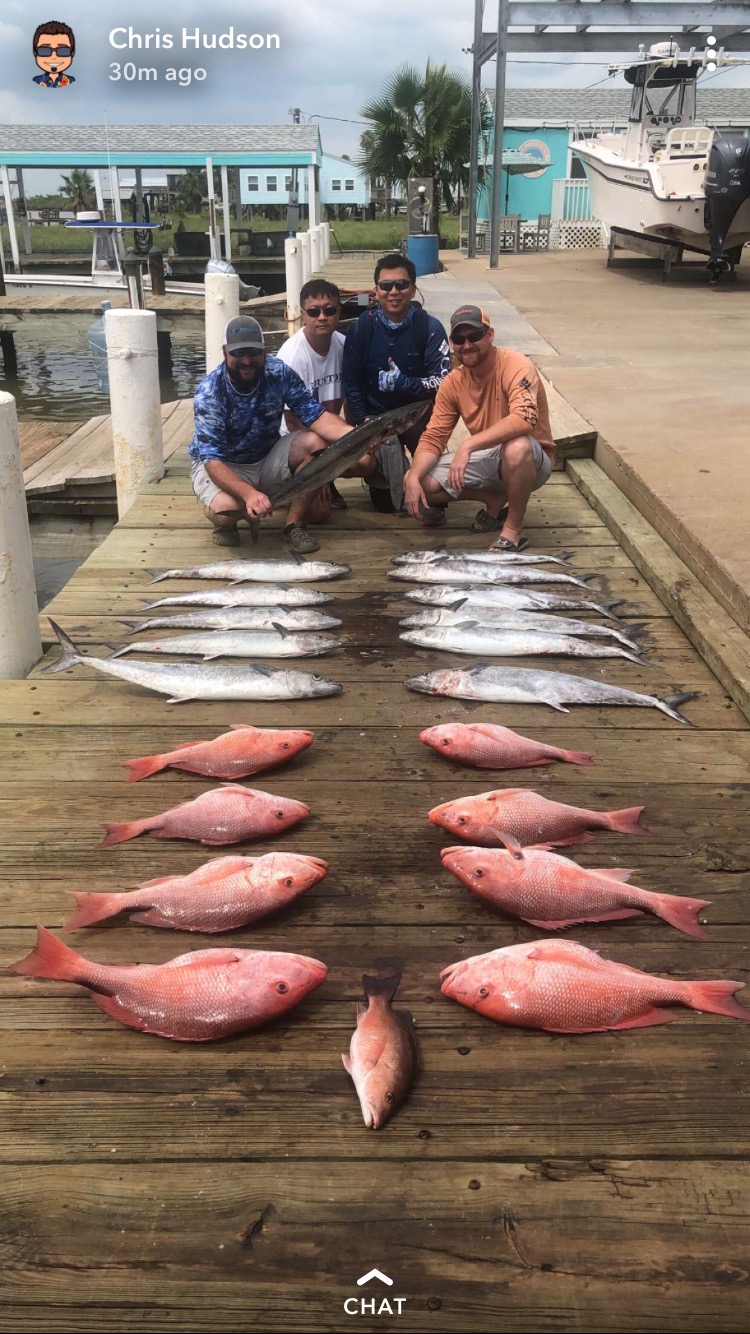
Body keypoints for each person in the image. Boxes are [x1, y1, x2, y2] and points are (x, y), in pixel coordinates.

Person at [189, 315, 354, 553]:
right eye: (238, 353)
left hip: (266, 455)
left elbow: (316, 417)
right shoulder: (210, 392)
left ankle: (293, 525)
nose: (247, 360)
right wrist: (248, 494)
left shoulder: (278, 372)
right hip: (225, 464)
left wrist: (357, 435)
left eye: (254, 352)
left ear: (264, 351)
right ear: (224, 352)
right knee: (225, 511)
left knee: (320, 503)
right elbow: (213, 461)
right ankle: (223, 520)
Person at [402, 304, 555, 551]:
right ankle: (493, 498)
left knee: (516, 447)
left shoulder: (516, 364)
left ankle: (512, 530)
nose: (467, 344)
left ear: (490, 335)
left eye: (474, 336)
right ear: (452, 343)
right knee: (420, 480)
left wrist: (467, 446)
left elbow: (524, 419)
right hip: (489, 457)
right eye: (459, 339)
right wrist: (413, 476)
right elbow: (434, 437)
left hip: (532, 460)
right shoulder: (452, 382)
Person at [342, 253, 450, 512]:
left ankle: (426, 482)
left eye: (401, 285)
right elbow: (351, 383)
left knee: (435, 499)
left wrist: (405, 383)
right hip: (376, 417)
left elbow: (443, 382)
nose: (394, 292)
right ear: (376, 290)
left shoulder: (431, 328)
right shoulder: (361, 329)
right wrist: (363, 420)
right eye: (386, 285)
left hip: (417, 415)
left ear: (413, 289)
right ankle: (383, 479)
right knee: (387, 505)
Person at [276, 278, 348, 510]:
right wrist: (320, 470)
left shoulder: (345, 345)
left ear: (339, 312)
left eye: (329, 310)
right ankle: (298, 479)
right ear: (303, 314)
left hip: (327, 432)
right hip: (296, 439)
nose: (322, 317)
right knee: (319, 513)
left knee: (367, 462)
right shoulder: (292, 355)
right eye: (314, 311)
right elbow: (292, 420)